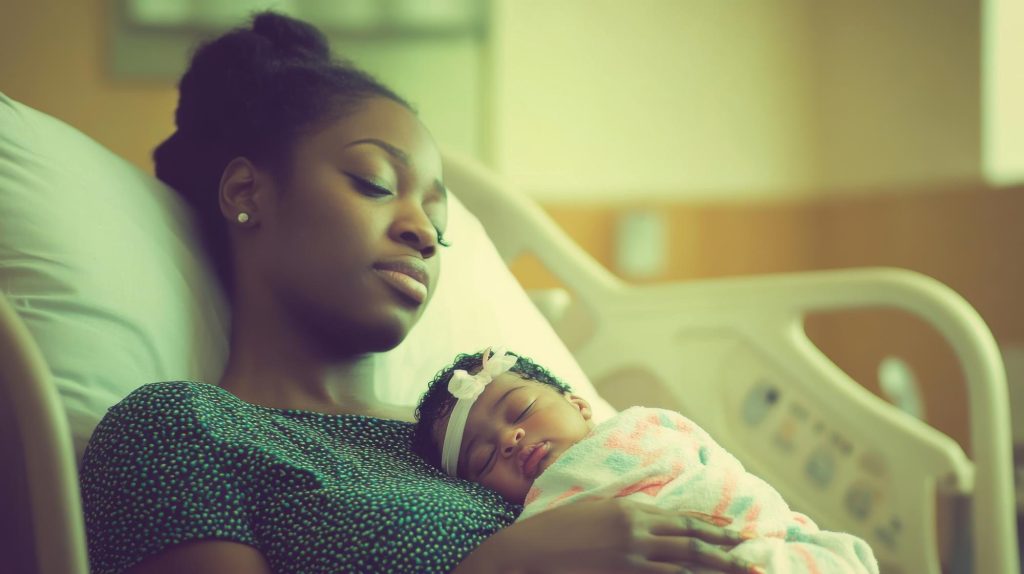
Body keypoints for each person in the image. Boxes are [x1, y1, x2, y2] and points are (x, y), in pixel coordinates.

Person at [78, 11, 768, 574]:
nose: (425, 235)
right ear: (245, 192)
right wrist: (502, 565)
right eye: (376, 184)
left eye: (439, 222)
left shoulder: (469, 439)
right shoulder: (181, 432)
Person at [413, 347, 880, 574]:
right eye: (485, 457)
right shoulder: (537, 525)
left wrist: (782, 528)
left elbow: (726, 473)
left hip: (757, 538)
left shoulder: (648, 426)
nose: (511, 439)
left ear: (578, 404)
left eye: (522, 412)